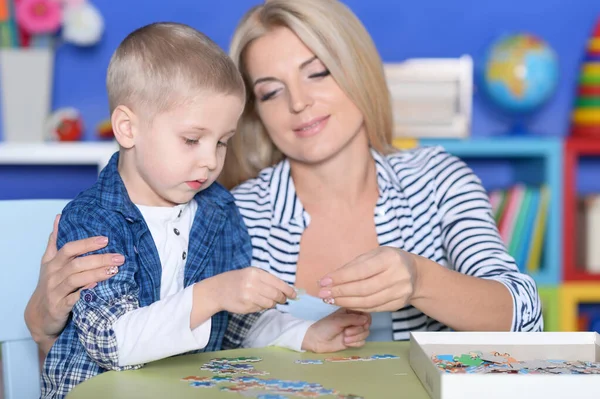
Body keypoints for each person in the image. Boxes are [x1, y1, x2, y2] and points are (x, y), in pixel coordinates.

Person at [25, 0, 542, 364]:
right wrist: (43, 327)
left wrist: (419, 279)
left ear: (357, 70)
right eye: (271, 92)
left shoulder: (438, 180)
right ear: (255, 115)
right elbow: (134, 353)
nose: (298, 103)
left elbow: (526, 318)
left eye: (318, 73)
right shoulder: (229, 212)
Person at [38, 21, 371, 399]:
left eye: (223, 142)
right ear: (128, 129)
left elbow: (232, 327)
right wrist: (212, 294)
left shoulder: (218, 210)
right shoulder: (94, 220)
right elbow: (111, 342)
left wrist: (303, 333)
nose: (211, 161)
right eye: (192, 140)